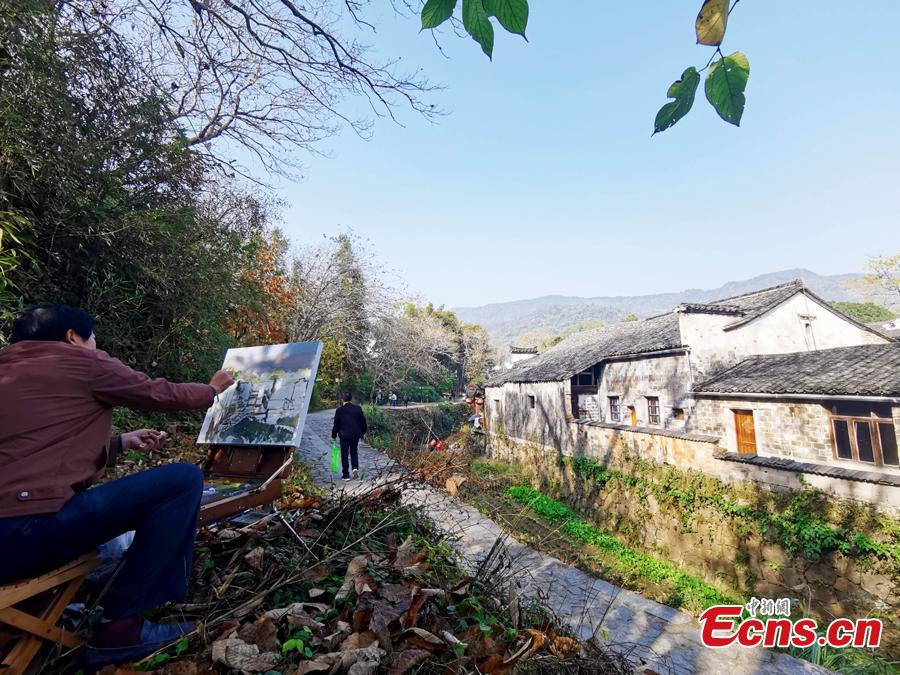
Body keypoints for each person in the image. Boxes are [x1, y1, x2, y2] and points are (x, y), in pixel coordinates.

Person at [0, 305, 235, 670]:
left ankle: (42, 610)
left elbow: (32, 447)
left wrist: (120, 443)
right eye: (94, 340)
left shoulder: (9, 371)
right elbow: (158, 393)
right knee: (182, 481)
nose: (96, 347)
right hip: (27, 534)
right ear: (72, 337)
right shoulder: (78, 361)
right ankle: (120, 631)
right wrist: (210, 389)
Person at [331, 392, 367, 481]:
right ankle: (355, 468)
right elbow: (363, 422)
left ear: (342, 399)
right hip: (355, 435)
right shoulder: (358, 409)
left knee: (344, 454)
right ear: (351, 399)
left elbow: (336, 424)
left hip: (344, 435)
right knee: (354, 451)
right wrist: (363, 432)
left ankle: (346, 475)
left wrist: (334, 435)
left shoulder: (339, 410)